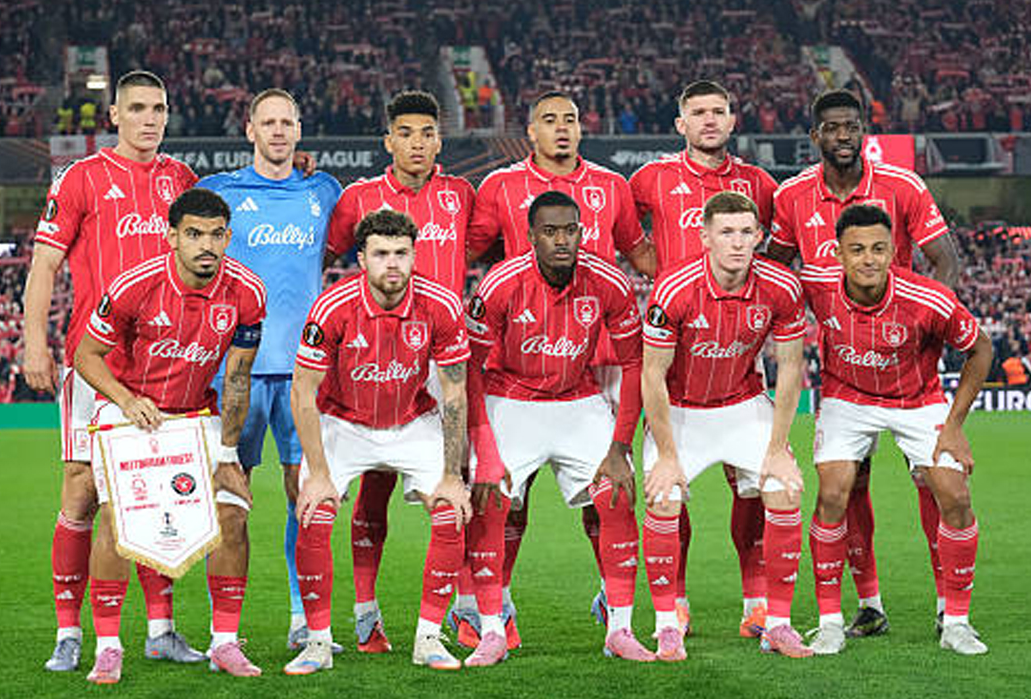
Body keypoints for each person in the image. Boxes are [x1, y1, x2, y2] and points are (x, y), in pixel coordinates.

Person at [22, 70, 202, 672]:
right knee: (82, 490)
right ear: (114, 117)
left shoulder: (181, 180)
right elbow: (45, 265)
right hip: (95, 361)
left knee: (157, 502)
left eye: (159, 108)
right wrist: (33, 343)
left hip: (165, 369)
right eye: (138, 109)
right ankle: (69, 632)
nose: (149, 119)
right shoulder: (81, 178)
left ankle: (161, 629)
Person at [766, 89, 962, 637]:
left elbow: (946, 262)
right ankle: (869, 604)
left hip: (910, 372)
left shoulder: (903, 186)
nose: (843, 136)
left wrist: (924, 325)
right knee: (845, 488)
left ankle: (949, 606)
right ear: (816, 137)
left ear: (863, 130)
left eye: (852, 126)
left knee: (932, 480)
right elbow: (775, 272)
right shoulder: (791, 197)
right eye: (832, 128)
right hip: (844, 373)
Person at [466, 90, 656, 641]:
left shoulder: (611, 187)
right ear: (531, 130)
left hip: (591, 363)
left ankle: (615, 610)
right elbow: (464, 249)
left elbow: (640, 253)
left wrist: (706, 274)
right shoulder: (499, 185)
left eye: (570, 119)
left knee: (609, 494)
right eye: (550, 120)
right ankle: (490, 612)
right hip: (515, 359)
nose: (562, 128)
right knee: (502, 498)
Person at [72, 187, 267, 682]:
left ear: (228, 237)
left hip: (195, 414)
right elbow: (85, 356)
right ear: (172, 236)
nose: (207, 245)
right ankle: (109, 646)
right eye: (194, 234)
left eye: (217, 235)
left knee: (233, 515)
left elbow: (239, 377)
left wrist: (227, 454)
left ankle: (225, 642)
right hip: (130, 410)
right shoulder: (136, 285)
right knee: (117, 520)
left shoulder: (247, 292)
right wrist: (125, 399)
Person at [285, 209, 473, 675]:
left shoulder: (442, 305)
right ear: (361, 258)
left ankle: (428, 637)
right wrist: (320, 475)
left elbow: (453, 391)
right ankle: (318, 642)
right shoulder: (332, 307)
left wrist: (452, 476)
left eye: (402, 253)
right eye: (382, 254)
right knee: (315, 513)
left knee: (452, 511)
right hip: (343, 424)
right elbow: (303, 391)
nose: (393, 264)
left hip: (412, 421)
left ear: (415, 255)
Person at [799, 204, 991, 655]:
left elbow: (979, 349)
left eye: (880, 249)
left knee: (956, 495)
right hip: (846, 397)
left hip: (917, 400)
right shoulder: (816, 286)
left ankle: (957, 623)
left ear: (894, 252)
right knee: (832, 493)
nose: (869, 259)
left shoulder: (928, 299)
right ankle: (829, 621)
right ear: (839, 254)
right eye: (858, 249)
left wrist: (956, 426)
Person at [325, 90, 475, 653]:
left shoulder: (462, 195)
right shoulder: (358, 197)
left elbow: (487, 248)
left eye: (428, 133)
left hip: (443, 355)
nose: (418, 143)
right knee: (374, 485)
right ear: (388, 140)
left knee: (459, 482)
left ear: (440, 139)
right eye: (406, 133)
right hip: (372, 354)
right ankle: (367, 614)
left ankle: (463, 607)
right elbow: (330, 256)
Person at [629, 79, 781, 638]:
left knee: (751, 483)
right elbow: (625, 235)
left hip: (737, 345)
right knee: (671, 481)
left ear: (733, 120)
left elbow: (778, 246)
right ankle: (679, 600)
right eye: (698, 112)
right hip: (673, 345)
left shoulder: (760, 183)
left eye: (719, 111)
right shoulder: (650, 179)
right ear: (681, 124)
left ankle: (757, 600)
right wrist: (661, 273)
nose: (709, 120)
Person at [196, 88, 344, 652]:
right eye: (268, 122)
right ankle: (223, 631)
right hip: (232, 373)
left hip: (304, 375)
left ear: (300, 131)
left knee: (302, 497)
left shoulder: (323, 191)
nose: (279, 131)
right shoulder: (219, 192)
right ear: (249, 130)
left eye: (288, 123)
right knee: (228, 500)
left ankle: (303, 618)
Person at [641, 191, 813, 660]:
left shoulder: (781, 287)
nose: (737, 243)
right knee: (663, 495)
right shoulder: (674, 289)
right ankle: (667, 625)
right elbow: (651, 373)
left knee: (784, 488)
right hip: (680, 411)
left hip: (742, 405)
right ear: (705, 238)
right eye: (726, 233)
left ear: (759, 236)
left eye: (745, 233)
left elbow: (791, 367)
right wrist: (668, 455)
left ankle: (776, 623)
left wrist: (778, 447)